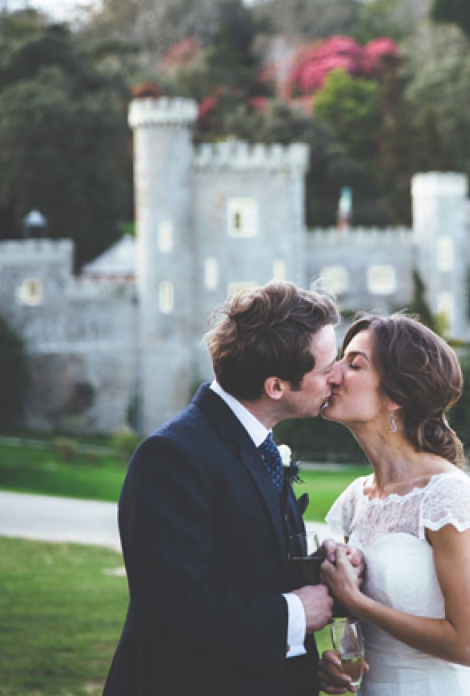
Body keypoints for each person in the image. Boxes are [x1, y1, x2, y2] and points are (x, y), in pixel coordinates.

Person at [104, 281, 344, 696]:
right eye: (326, 369)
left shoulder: (261, 445)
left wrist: (320, 567)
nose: (337, 377)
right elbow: (175, 607)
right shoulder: (172, 457)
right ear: (275, 387)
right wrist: (295, 614)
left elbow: (248, 560)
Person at [318, 314, 470, 696]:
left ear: (397, 395)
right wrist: (341, 657)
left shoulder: (446, 496)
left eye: (354, 364)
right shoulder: (355, 499)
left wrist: (356, 602)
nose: (331, 374)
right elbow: (355, 623)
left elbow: (466, 646)